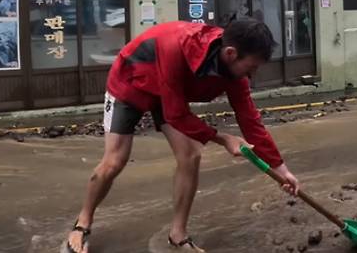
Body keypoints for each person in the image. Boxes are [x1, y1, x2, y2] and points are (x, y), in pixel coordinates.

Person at [64, 20, 299, 253]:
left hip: (169, 91)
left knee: (191, 154)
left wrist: (281, 170)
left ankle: (178, 235)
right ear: (231, 53)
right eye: (251, 68)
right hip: (131, 83)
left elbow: (249, 119)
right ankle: (83, 222)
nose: (252, 74)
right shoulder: (175, 46)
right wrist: (223, 138)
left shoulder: (235, 71)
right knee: (115, 160)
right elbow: (176, 114)